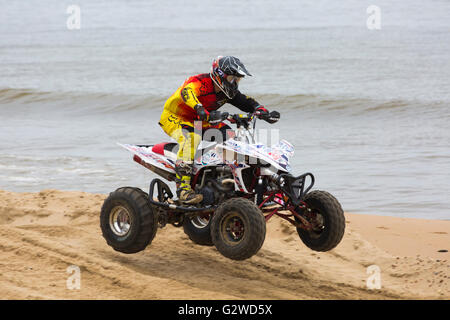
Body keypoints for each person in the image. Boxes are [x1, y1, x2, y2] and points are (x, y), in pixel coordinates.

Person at [158, 56, 280, 204]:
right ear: (219, 74)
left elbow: (246, 102)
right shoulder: (200, 82)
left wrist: (263, 111)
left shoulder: (227, 93)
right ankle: (183, 189)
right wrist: (199, 108)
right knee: (191, 139)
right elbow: (187, 92)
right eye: (232, 78)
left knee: (231, 138)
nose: (234, 83)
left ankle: (226, 181)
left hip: (201, 120)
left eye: (237, 80)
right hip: (176, 117)